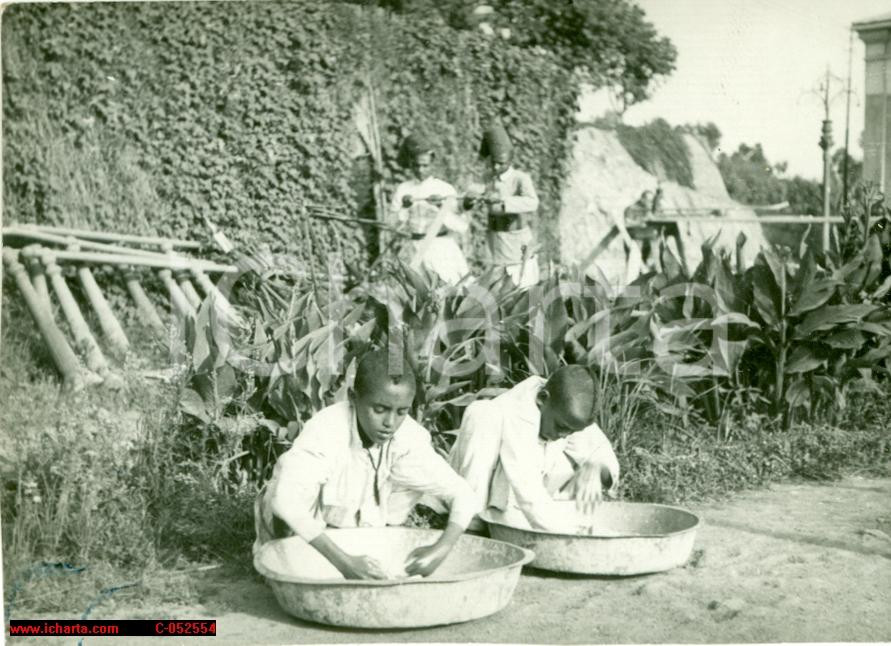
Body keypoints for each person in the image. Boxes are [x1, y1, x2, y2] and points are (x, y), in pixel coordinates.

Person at [255, 348, 479, 579]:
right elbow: (285, 502)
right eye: (379, 410)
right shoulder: (326, 429)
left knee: (414, 471)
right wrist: (344, 563)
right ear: (353, 397)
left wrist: (442, 548)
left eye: (401, 411)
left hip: (362, 531)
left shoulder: (409, 437)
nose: (390, 423)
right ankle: (284, 569)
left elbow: (464, 495)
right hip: (306, 537)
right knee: (287, 499)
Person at [448, 365, 620, 533]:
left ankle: (534, 522)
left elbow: (600, 450)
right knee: (481, 414)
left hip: (528, 497)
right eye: (561, 427)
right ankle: (473, 525)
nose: (564, 435)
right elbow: (526, 487)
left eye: (572, 431)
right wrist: (567, 535)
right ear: (542, 399)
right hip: (491, 492)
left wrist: (596, 468)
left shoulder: (563, 407)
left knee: (585, 462)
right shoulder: (517, 412)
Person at [465, 123, 540, 288]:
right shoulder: (488, 177)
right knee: (497, 280)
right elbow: (475, 191)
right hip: (496, 238)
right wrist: (471, 198)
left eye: (501, 163)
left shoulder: (520, 178)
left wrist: (503, 200)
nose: (496, 167)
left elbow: (532, 202)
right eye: (493, 163)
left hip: (516, 238)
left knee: (522, 279)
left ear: (510, 161)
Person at [390, 133, 470, 285]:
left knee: (447, 290)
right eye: (416, 165)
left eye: (425, 165)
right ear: (411, 164)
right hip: (413, 249)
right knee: (414, 294)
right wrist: (404, 209)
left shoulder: (444, 189)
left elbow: (462, 226)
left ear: (432, 164)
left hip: (440, 248)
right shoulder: (403, 189)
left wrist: (441, 206)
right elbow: (392, 225)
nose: (420, 170)